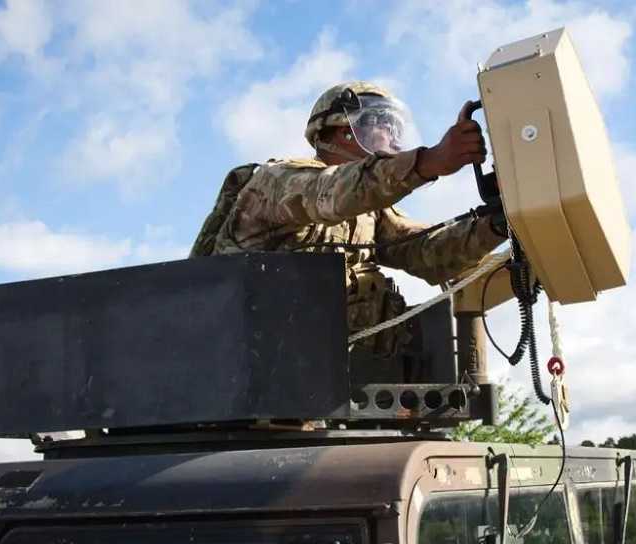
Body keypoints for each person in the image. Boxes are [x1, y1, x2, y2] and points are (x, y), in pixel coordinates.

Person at [192, 81, 507, 357]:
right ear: (344, 131)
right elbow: (333, 194)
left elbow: (425, 251)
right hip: (255, 365)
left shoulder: (370, 210)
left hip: (336, 376)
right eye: (382, 124)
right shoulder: (278, 181)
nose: (393, 136)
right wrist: (429, 161)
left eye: (396, 127)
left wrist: (497, 224)